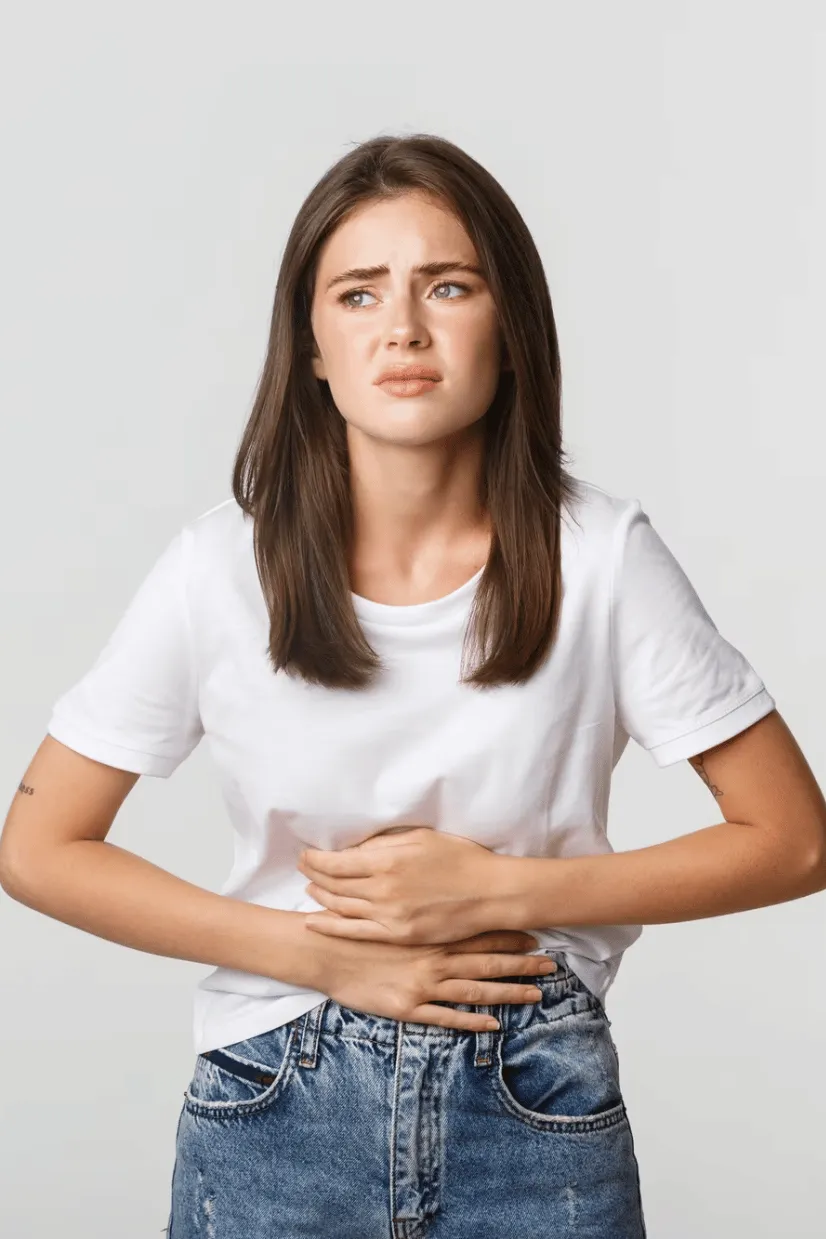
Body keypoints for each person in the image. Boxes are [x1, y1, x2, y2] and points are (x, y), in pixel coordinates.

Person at [2, 132, 824, 1239]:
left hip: (533, 1095)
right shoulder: (217, 568)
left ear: (510, 328)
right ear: (312, 347)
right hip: (275, 1101)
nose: (403, 327)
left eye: (448, 285)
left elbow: (793, 840)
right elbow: (40, 848)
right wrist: (316, 955)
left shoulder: (602, 556)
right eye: (357, 293)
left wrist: (499, 893)